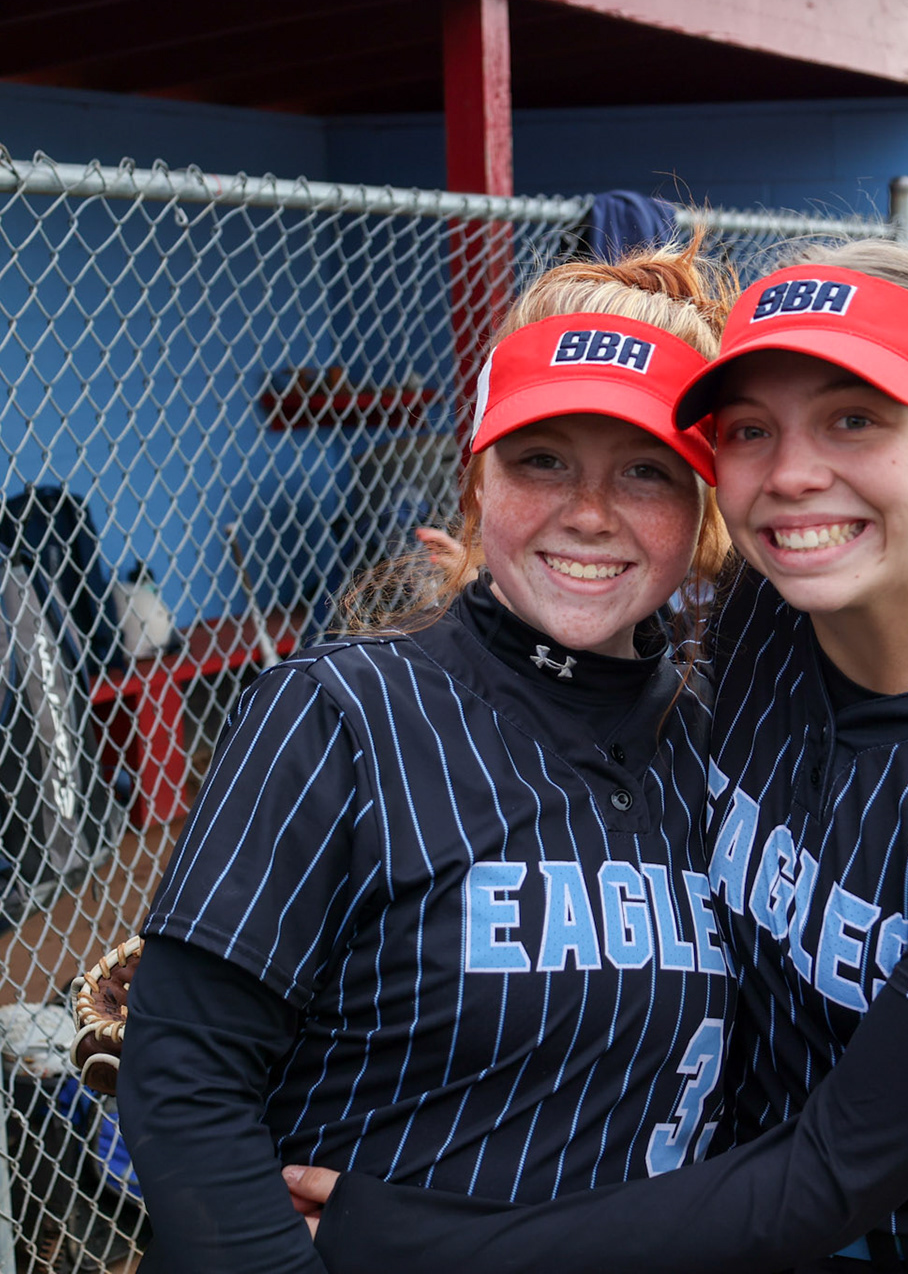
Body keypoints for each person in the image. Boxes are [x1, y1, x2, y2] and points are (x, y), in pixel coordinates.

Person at [291, 239, 908, 1273]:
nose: (793, 474)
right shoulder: (768, 614)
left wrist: (411, 1241)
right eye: (752, 429)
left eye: (855, 417)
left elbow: (834, 1168)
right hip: (740, 1218)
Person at [116, 242, 735, 1273]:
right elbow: (184, 1081)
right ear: (478, 478)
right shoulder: (336, 713)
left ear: (700, 510)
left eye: (644, 470)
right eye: (543, 458)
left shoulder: (722, 739)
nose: (589, 510)